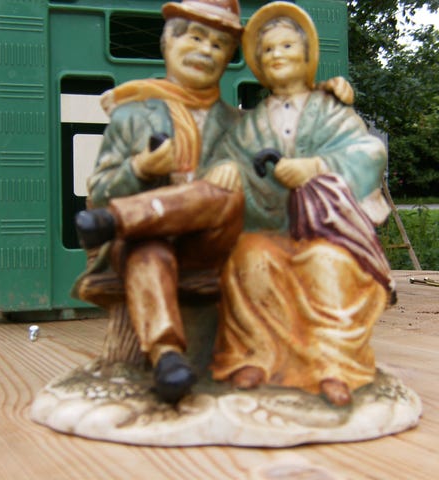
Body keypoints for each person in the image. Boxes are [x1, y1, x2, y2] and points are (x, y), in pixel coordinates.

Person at [74, 0, 356, 404]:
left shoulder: (243, 124)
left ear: (228, 59)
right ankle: (168, 358)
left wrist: (326, 95)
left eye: (219, 44)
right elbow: (99, 190)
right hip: (142, 245)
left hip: (210, 247)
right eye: (195, 38)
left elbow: (292, 145)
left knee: (226, 189)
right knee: (148, 249)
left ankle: (118, 220)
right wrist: (139, 168)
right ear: (168, 44)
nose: (206, 51)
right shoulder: (131, 117)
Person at [208, 2, 394, 406]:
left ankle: (333, 366)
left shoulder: (331, 109)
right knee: (249, 256)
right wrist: (225, 169)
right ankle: (257, 356)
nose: (276, 55)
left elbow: (368, 152)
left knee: (327, 263)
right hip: (272, 227)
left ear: (307, 55)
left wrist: (317, 166)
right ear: (257, 63)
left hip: (324, 231)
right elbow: (230, 157)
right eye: (267, 49)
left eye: (287, 46)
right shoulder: (251, 122)